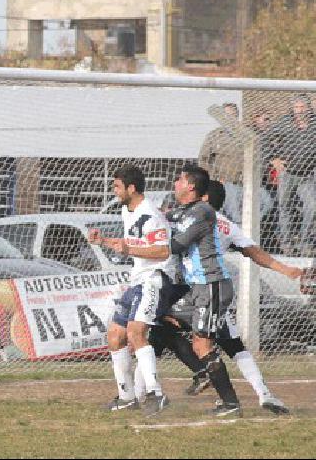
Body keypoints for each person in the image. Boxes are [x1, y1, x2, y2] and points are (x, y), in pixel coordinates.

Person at [139, 180, 300, 415]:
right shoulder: (225, 224)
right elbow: (253, 251)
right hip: (203, 291)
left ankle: (214, 389)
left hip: (201, 289)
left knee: (166, 326)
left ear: (203, 198)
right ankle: (263, 392)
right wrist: (284, 269)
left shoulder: (193, 219)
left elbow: (166, 237)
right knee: (229, 341)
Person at [88, 165, 175, 416]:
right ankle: (127, 397)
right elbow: (131, 245)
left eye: (117, 186)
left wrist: (128, 250)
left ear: (131, 188)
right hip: (137, 281)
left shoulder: (151, 215)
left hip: (154, 281)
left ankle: (155, 393)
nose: (114, 191)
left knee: (136, 333)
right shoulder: (128, 210)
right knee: (115, 335)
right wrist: (103, 241)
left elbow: (162, 251)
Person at [163, 164, 243, 416]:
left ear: (191, 186)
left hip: (212, 285)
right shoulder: (185, 211)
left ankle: (230, 403)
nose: (175, 183)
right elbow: (167, 218)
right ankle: (201, 373)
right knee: (163, 321)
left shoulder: (203, 212)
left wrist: (138, 246)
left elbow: (176, 245)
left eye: (179, 180)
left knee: (203, 345)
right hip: (197, 288)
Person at [270, 94, 316, 255]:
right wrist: (273, 159)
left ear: (308, 108)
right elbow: (265, 139)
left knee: (312, 206)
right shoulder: (284, 123)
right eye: (297, 107)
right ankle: (286, 243)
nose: (299, 111)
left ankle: (305, 242)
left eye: (302, 107)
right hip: (287, 173)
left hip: (307, 175)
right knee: (285, 207)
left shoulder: (314, 124)